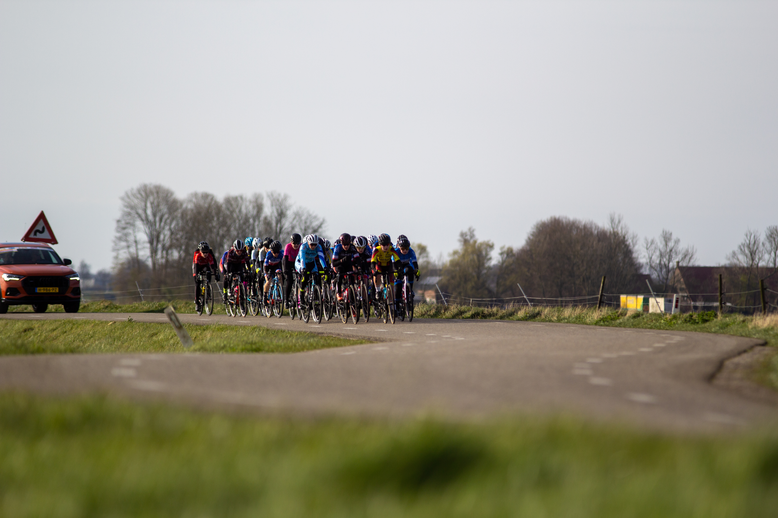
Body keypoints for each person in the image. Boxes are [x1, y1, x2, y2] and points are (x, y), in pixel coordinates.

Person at [294, 234, 328, 300]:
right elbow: (302, 258)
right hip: (300, 262)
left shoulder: (318, 247)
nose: (313, 246)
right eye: (312, 244)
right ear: (308, 242)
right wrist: (303, 268)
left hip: (311, 262)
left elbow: (321, 257)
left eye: (315, 244)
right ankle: (301, 294)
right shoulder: (303, 246)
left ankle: (314, 294)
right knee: (305, 276)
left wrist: (325, 267)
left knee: (316, 276)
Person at [371, 233, 400, 299]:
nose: (386, 247)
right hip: (379, 266)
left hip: (388, 266)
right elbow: (373, 262)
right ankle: (378, 291)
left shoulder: (391, 249)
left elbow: (397, 260)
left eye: (387, 244)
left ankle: (393, 307)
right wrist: (374, 270)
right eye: (383, 245)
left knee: (392, 288)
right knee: (377, 274)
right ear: (380, 245)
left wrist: (399, 268)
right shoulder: (377, 250)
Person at [331, 233, 360, 298]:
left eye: (347, 245)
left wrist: (359, 267)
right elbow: (334, 263)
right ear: (341, 243)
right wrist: (341, 260)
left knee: (352, 275)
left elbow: (357, 258)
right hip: (339, 265)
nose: (346, 246)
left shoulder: (352, 247)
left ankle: (352, 292)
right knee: (340, 274)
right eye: (344, 245)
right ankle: (339, 292)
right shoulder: (338, 248)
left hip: (348, 264)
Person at [192, 241, 219, 306]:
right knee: (197, 283)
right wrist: (195, 275)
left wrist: (215, 274)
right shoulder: (197, 256)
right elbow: (195, 267)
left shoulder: (209, 256)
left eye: (206, 252)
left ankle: (208, 291)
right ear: (200, 251)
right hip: (197, 266)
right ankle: (196, 299)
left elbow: (212, 266)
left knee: (209, 272)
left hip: (205, 266)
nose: (205, 254)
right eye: (203, 252)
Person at [394, 235, 420, 302]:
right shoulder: (396, 251)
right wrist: (395, 271)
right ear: (399, 247)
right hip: (397, 266)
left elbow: (414, 262)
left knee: (410, 270)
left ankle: (410, 290)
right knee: (398, 287)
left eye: (407, 248)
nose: (405, 250)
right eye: (403, 249)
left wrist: (416, 271)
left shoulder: (411, 251)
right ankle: (397, 305)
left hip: (406, 265)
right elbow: (393, 264)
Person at [282, 233, 302, 307]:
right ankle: (286, 300)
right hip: (289, 263)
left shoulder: (301, 246)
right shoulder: (288, 246)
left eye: (297, 243)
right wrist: (285, 270)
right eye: (294, 243)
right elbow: (285, 259)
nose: (296, 245)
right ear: (291, 242)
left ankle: (300, 299)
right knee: (289, 281)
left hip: (297, 263)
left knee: (301, 280)